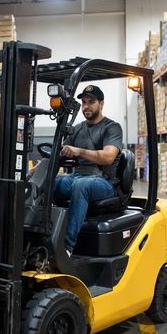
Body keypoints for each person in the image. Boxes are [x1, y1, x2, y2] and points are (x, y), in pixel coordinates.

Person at [54, 85, 123, 256]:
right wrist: (37, 173)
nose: (86, 106)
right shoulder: (76, 129)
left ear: (101, 104)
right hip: (77, 177)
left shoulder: (112, 127)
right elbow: (58, 153)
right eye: (84, 102)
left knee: (82, 185)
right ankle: (45, 236)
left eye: (91, 102)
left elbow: (108, 156)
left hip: (104, 182)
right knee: (49, 183)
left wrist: (79, 151)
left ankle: (66, 248)